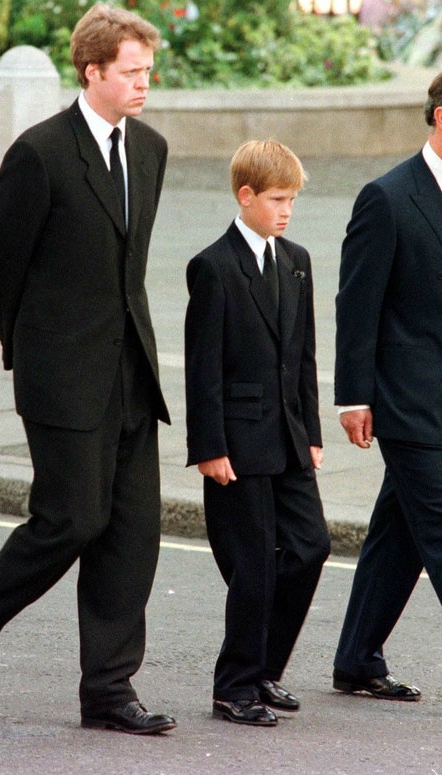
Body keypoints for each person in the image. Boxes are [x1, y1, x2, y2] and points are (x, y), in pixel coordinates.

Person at [0, 3, 175, 736]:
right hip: (60, 374)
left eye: (147, 70)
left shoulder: (151, 149)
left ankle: (108, 689)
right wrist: (31, 352)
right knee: (70, 517)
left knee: (131, 532)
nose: (144, 83)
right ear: (92, 70)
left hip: (130, 370)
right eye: (130, 71)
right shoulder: (39, 152)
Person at [184, 140, 330, 727]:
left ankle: (265, 666)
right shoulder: (214, 265)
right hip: (238, 444)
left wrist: (313, 431)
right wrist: (209, 447)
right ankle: (235, 686)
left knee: (311, 545)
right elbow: (203, 367)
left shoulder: (297, 259)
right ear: (246, 197)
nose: (287, 210)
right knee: (254, 565)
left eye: (292, 199)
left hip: (290, 436)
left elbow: (306, 355)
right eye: (277, 199)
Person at [329, 72, 442, 703]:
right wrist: (353, 396)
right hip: (408, 399)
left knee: (398, 536)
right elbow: (358, 302)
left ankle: (356, 658)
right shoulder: (388, 197)